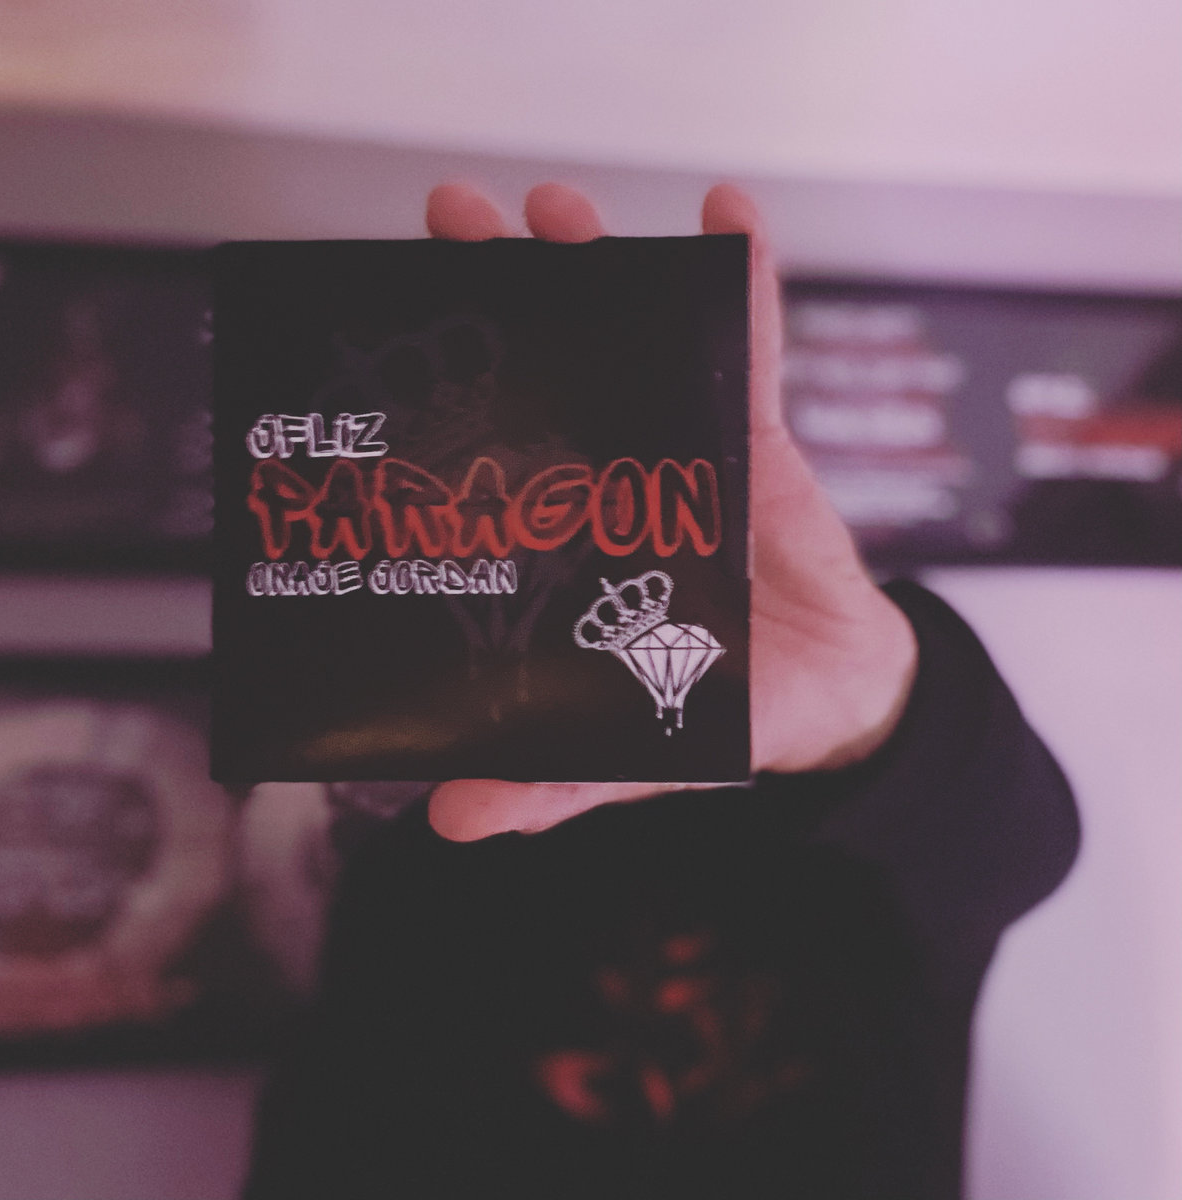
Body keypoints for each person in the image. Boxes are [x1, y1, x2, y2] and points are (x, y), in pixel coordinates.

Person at [241, 184, 1079, 1200]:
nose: (532, 521)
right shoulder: (422, 872)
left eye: (563, 485)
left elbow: (1013, 850)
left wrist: (875, 716)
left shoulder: (823, 824)